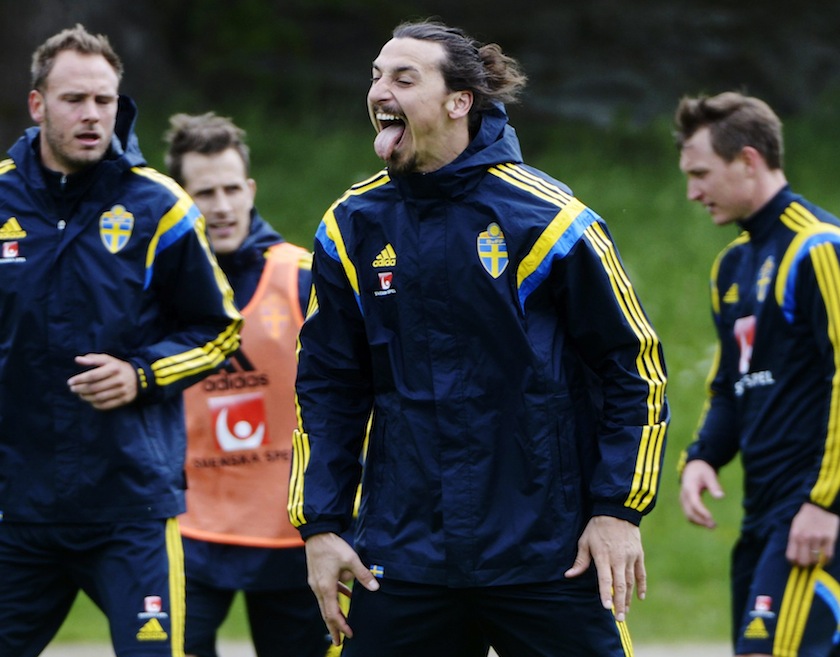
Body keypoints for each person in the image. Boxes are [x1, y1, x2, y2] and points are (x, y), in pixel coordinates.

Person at [288, 19, 669, 657]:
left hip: (547, 554)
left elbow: (633, 368)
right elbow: (327, 387)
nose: (380, 90)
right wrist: (321, 525)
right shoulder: (350, 227)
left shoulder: (551, 222)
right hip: (403, 557)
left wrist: (616, 510)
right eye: (376, 76)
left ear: (458, 102)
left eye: (404, 78)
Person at [0, 25, 242, 657]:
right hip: (15, 507)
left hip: (129, 506)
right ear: (37, 105)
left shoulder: (159, 205)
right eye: (74, 99)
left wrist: (143, 374)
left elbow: (219, 331)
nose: (91, 116)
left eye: (104, 101)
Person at [676, 91, 840, 657]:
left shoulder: (818, 247)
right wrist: (701, 456)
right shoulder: (732, 267)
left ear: (748, 160)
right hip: (764, 515)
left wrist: (826, 502)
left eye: (701, 173)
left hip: (813, 516)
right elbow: (730, 384)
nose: (693, 191)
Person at [164, 112, 330, 657]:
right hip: (188, 530)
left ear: (251, 188)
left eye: (232, 187)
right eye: (204, 192)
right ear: (179, 198)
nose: (222, 204)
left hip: (291, 531)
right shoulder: (155, 289)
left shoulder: (302, 277)